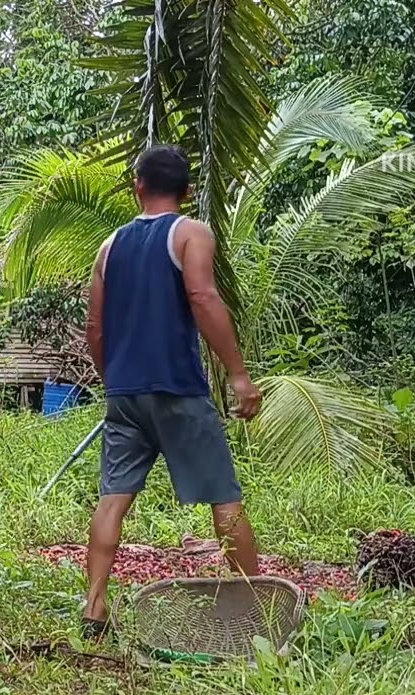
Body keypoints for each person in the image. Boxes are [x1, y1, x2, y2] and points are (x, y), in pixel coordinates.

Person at [81, 144, 263, 639]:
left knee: (112, 500)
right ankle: (256, 611)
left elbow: (95, 325)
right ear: (186, 190)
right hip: (178, 390)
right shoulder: (191, 233)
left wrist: (113, 379)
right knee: (223, 497)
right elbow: (203, 297)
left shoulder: (109, 246)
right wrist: (238, 374)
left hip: (124, 394)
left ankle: (94, 609)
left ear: (137, 186)